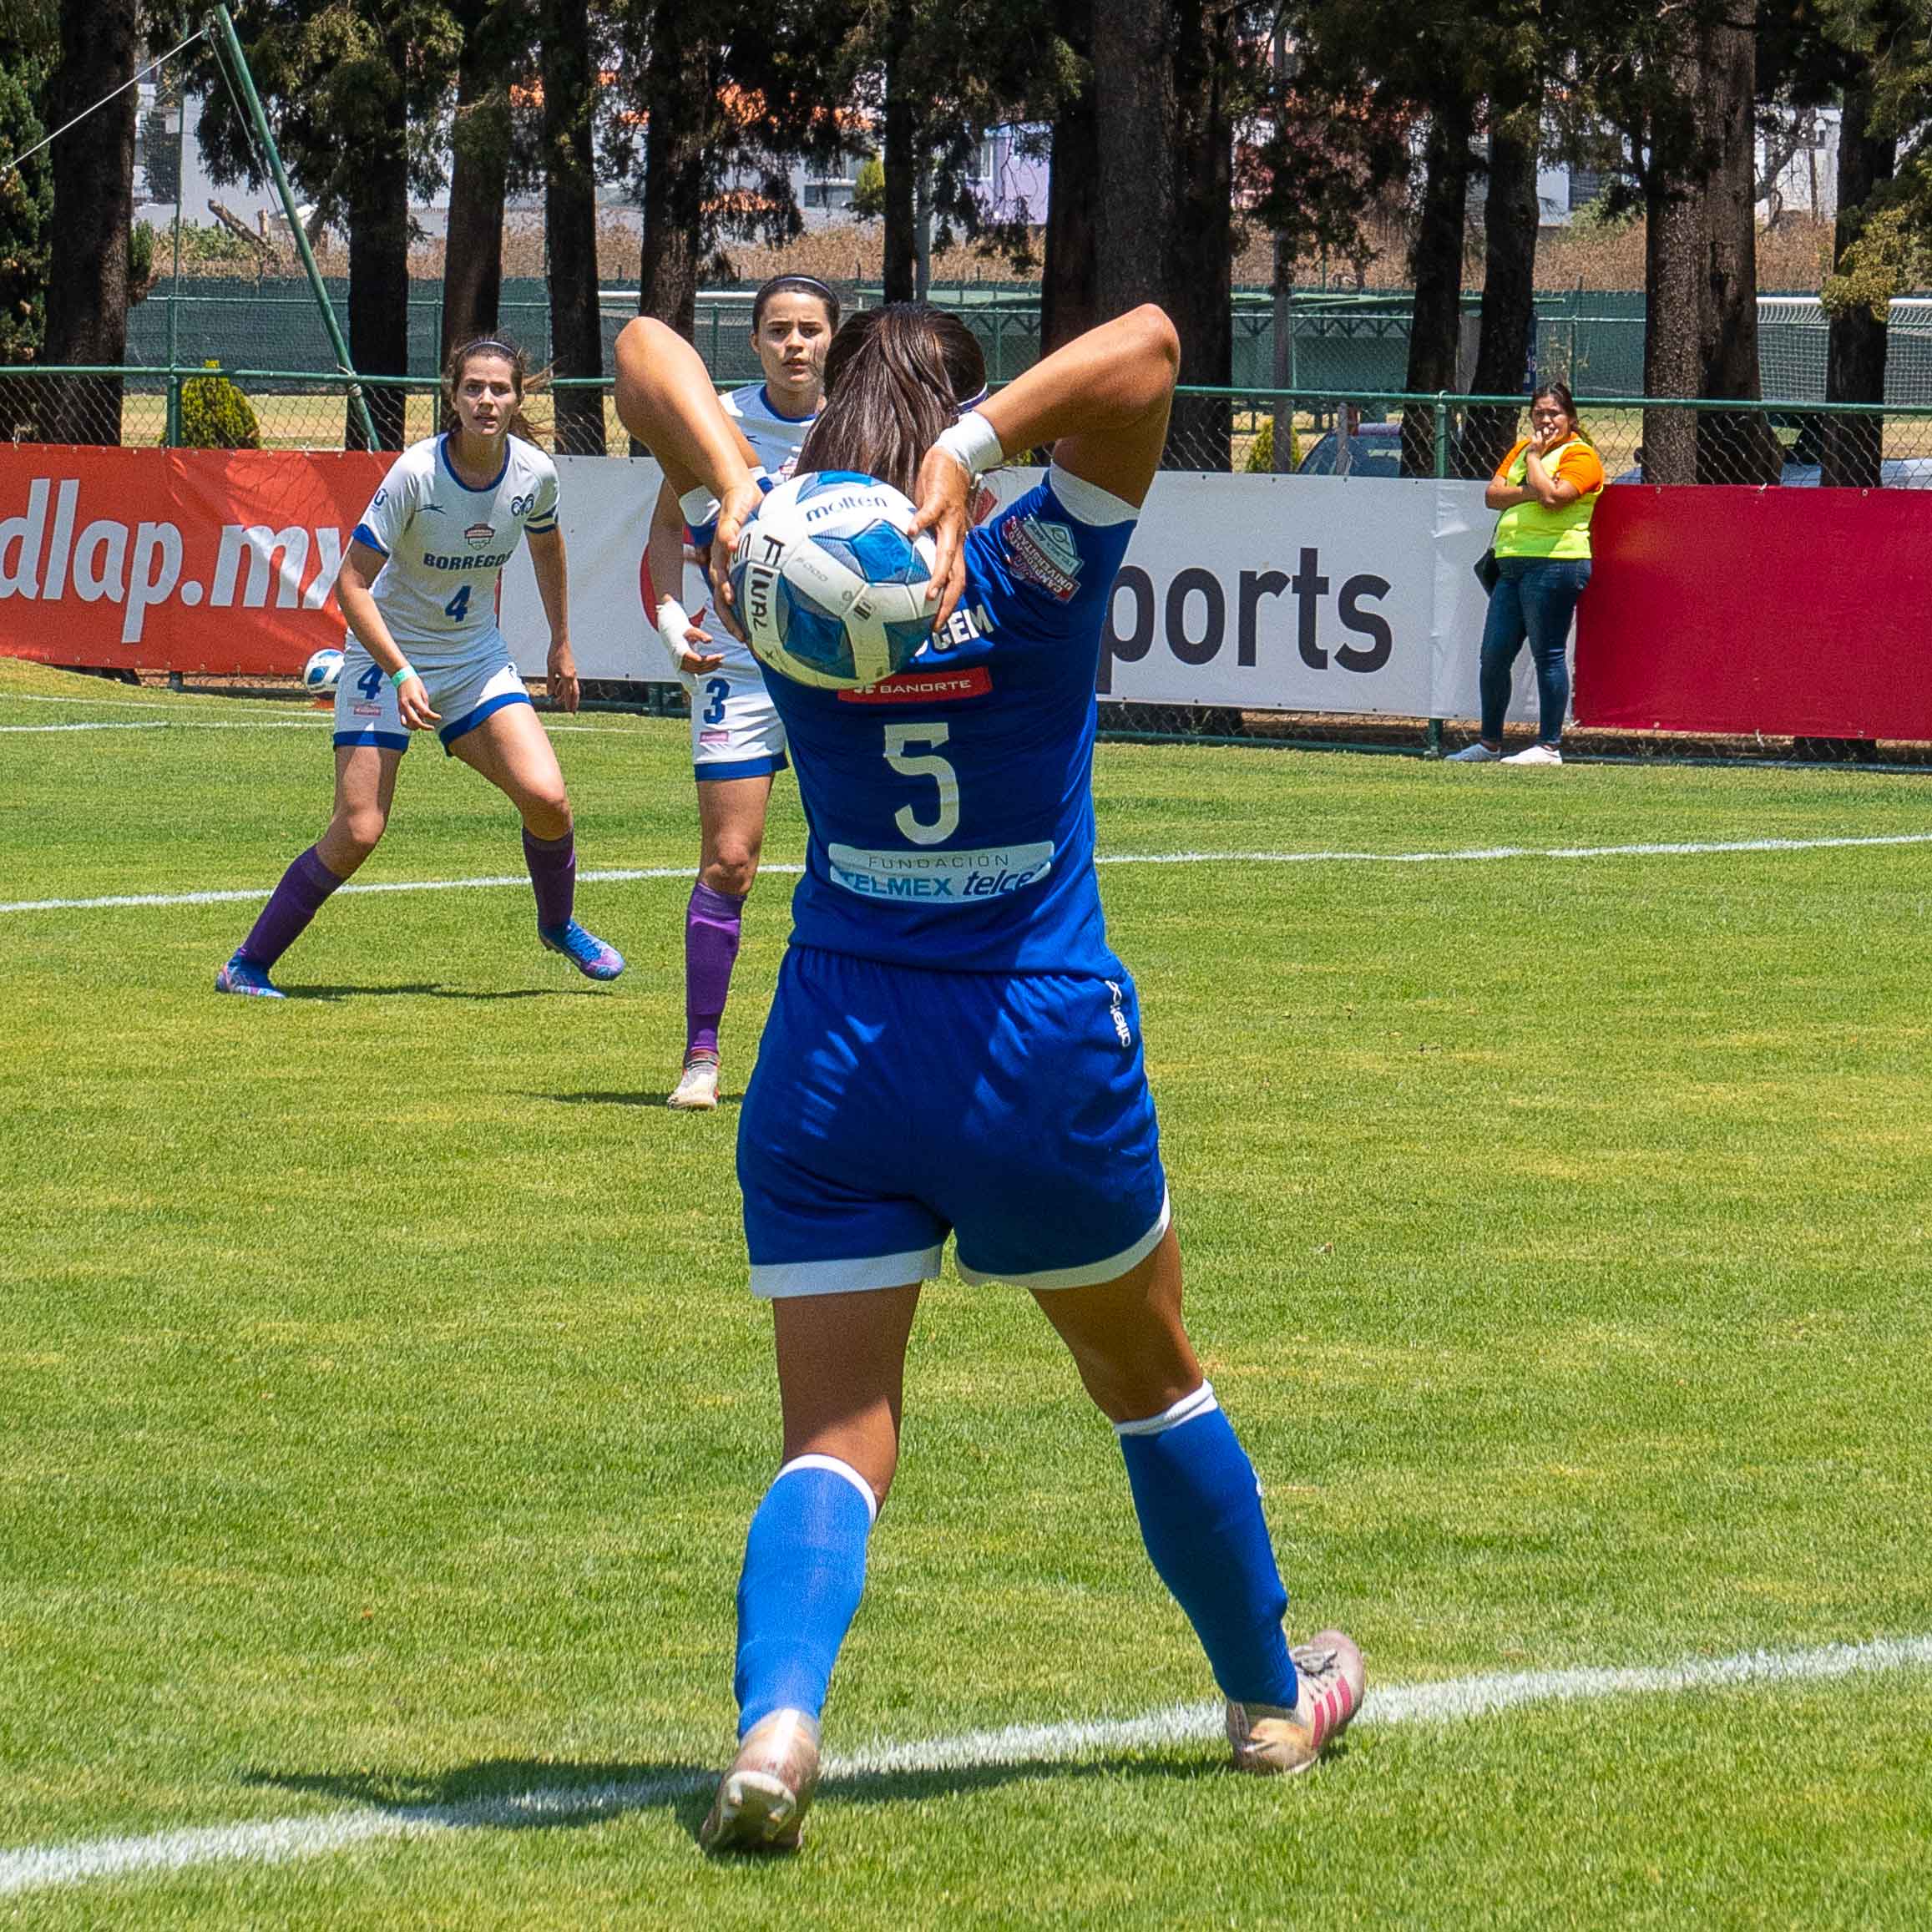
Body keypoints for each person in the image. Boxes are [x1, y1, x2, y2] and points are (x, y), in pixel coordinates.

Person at [614, 301, 1367, 1856]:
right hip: (1033, 1037)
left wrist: (737, 490)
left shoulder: (767, 581)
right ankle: (1270, 1695)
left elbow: (638, 347)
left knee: (831, 1433)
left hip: (835, 1045)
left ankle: (777, 1719)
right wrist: (977, 453)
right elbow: (1150, 347)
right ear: (953, 430)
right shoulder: (1029, 564)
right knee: (1151, 1382)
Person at [215, 336, 624, 997]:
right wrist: (402, 672)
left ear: (518, 397)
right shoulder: (416, 474)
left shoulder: (534, 474)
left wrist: (562, 642)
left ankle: (559, 925)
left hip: (474, 659)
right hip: (387, 657)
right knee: (359, 829)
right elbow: (350, 585)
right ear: (451, 395)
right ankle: (247, 964)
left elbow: (548, 550)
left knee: (548, 801)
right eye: (473, 389)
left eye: (499, 389)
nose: (486, 401)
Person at [640, 275, 839, 1110]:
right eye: (779, 330)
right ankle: (701, 1052)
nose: (795, 344)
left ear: (833, 339)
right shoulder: (711, 416)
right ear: (754, 341)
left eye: (810, 330)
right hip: (739, 662)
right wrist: (663, 617)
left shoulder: (858, 422)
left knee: (856, 862)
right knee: (729, 859)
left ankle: (845, 1052)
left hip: (842, 668)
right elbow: (661, 530)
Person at [1449, 380, 1605, 766]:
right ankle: (1489, 744)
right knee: (1494, 655)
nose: (1546, 419)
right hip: (1511, 565)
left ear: (1570, 417)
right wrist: (1531, 486)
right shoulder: (1520, 450)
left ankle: (1549, 746)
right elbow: (1492, 495)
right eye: (1539, 413)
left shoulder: (1579, 455)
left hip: (1555, 564)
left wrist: (1535, 462)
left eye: (1554, 412)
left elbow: (1555, 498)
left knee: (1548, 654)